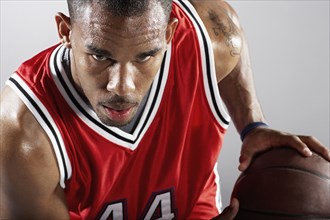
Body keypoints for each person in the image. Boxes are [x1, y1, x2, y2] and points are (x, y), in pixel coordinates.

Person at [1, 0, 329, 219]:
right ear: (65, 32)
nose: (122, 87)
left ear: (170, 33)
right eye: (101, 57)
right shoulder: (22, 135)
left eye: (145, 56)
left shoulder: (204, 39)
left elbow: (229, 31)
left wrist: (252, 125)